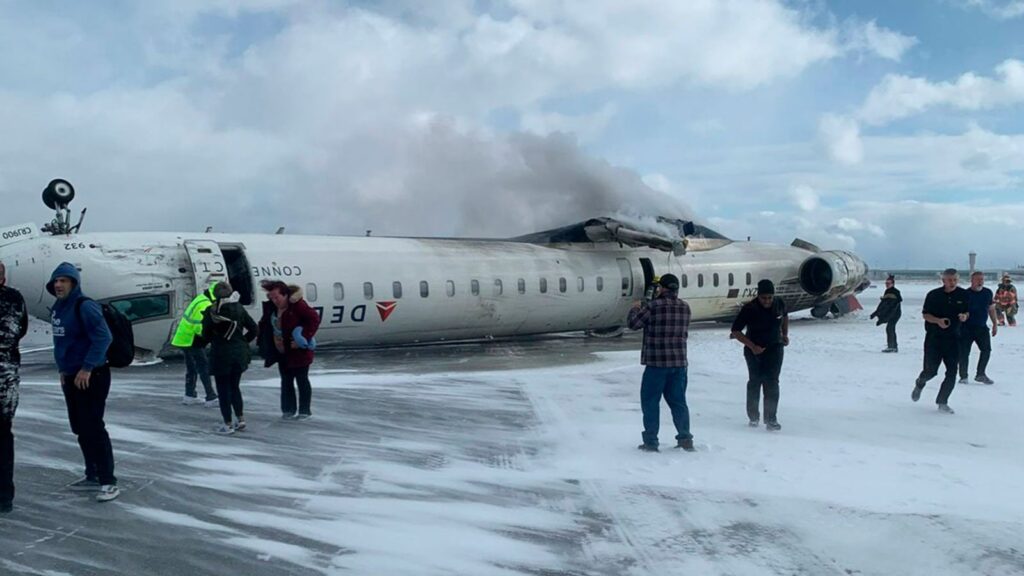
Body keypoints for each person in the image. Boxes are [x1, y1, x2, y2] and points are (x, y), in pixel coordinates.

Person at [47, 262, 120, 502]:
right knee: (79, 427)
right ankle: (93, 473)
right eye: (56, 281)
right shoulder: (58, 308)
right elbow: (63, 343)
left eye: (64, 281)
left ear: (74, 283)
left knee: (93, 427)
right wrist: (64, 370)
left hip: (91, 376)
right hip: (70, 375)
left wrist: (87, 368)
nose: (59, 285)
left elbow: (103, 337)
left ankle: (109, 481)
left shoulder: (85, 306)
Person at [627, 274, 695, 452]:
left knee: (650, 402)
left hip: (657, 365)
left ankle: (651, 441)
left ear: (662, 288)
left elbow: (633, 324)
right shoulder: (685, 307)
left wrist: (634, 309)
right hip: (679, 364)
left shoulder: (653, 306)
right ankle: (685, 438)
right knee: (678, 402)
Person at [731, 279, 789, 431]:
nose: (767, 301)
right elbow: (735, 331)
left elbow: (784, 317)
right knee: (755, 382)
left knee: (772, 382)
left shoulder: (779, 303)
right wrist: (752, 346)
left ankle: (771, 418)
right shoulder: (750, 308)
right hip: (754, 350)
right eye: (764, 298)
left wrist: (785, 334)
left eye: (769, 297)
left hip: (775, 348)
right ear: (758, 296)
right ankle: (753, 416)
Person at [201, 283, 258, 434]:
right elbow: (254, 328)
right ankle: (240, 419)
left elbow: (205, 334)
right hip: (239, 354)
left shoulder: (212, 311)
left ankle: (227, 423)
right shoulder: (239, 308)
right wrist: (242, 341)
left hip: (221, 354)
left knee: (223, 389)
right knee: (234, 387)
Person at [259, 281, 320, 420]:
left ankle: (304, 411)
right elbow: (265, 324)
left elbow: (314, 319)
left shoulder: (298, 306)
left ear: (285, 295)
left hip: (299, 352)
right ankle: (288, 410)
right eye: (271, 297)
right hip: (281, 352)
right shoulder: (271, 308)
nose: (274, 301)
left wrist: (302, 338)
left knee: (301, 380)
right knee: (286, 381)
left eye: (277, 297)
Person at [912, 268, 969, 414]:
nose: (952, 282)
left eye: (955, 280)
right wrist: (938, 321)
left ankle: (942, 401)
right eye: (949, 280)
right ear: (943, 280)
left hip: (954, 339)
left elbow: (966, 311)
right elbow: (925, 315)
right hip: (934, 339)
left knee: (952, 372)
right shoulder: (933, 295)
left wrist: (964, 316)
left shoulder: (963, 294)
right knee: (931, 371)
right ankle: (920, 382)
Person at [0, 262, 29, 513]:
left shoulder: (12, 298)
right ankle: (4, 496)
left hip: (5, 376)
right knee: (3, 436)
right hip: (8, 376)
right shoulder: (15, 298)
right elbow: (21, 330)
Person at [171, 283, 218, 405]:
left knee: (191, 367)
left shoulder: (201, 298)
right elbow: (199, 325)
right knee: (203, 366)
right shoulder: (205, 305)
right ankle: (211, 396)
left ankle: (190, 394)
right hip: (192, 339)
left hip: (184, 337)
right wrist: (209, 337)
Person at [958, 271, 997, 385]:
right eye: (977, 279)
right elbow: (960, 311)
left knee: (986, 350)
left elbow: (991, 309)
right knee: (964, 353)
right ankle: (963, 376)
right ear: (972, 281)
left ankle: (981, 374)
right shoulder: (965, 294)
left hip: (981, 328)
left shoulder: (987, 293)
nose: (980, 282)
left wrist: (995, 323)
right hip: (966, 328)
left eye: (982, 279)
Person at [869, 275, 902, 353]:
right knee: (890, 328)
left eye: (888, 283)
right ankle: (893, 346)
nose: (887, 284)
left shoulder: (895, 292)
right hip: (892, 313)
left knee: (890, 328)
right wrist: (876, 313)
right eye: (886, 283)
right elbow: (883, 305)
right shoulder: (887, 292)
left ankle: (892, 347)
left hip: (895, 314)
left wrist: (887, 316)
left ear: (893, 284)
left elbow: (892, 305)